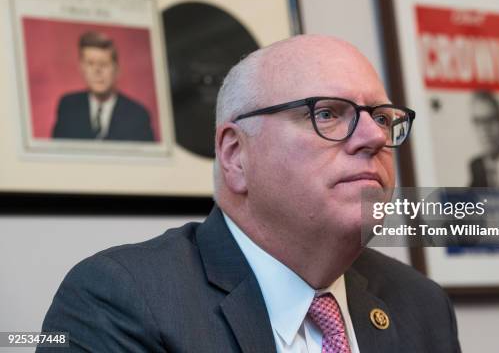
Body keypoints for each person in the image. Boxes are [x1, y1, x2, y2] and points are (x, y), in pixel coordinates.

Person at [39, 35, 461, 352]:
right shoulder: (120, 299)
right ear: (236, 155)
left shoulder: (420, 304)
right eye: (328, 114)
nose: (373, 137)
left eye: (384, 119)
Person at [52, 31, 155, 141]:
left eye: (104, 64)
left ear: (116, 69)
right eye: (90, 63)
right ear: (81, 68)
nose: (97, 71)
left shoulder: (138, 116)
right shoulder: (68, 107)